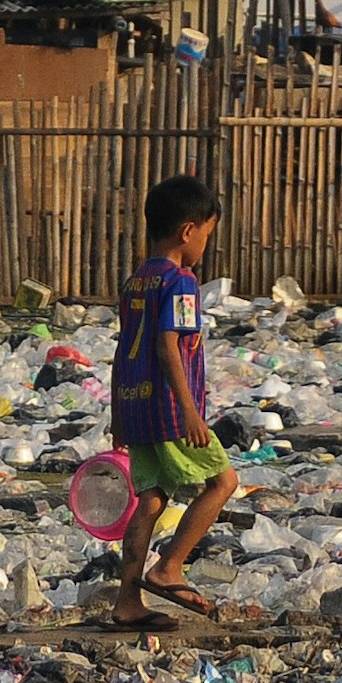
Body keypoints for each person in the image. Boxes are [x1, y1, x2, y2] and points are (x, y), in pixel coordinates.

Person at [108, 173, 238, 625]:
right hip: (169, 409)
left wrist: (117, 414)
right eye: (207, 233)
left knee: (151, 498)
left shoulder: (136, 282)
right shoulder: (181, 283)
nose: (206, 244)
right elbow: (167, 346)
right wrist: (190, 412)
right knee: (223, 483)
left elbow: (123, 348)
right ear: (188, 231)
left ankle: (127, 602)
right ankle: (169, 567)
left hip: (135, 404)